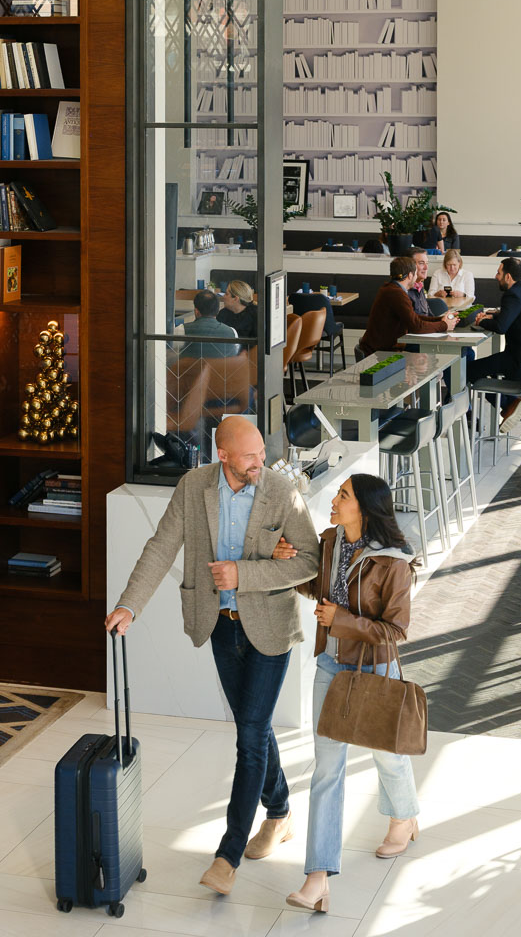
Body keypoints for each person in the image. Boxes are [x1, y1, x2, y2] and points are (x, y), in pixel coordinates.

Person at [106, 418, 323, 895]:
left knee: (249, 736)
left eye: (262, 452)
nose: (259, 462)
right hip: (220, 627)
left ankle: (226, 857)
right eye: (249, 455)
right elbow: (161, 547)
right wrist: (129, 604)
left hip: (270, 628)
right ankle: (281, 812)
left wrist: (244, 575)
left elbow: (310, 560)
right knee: (256, 725)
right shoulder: (193, 486)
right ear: (221, 454)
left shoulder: (280, 490)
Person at [268, 474, 421, 913]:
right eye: (337, 494)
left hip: (375, 668)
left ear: (365, 510)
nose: (334, 501)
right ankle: (317, 877)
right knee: (327, 770)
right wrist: (290, 560)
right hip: (330, 666)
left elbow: (396, 630)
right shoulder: (332, 540)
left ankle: (403, 817)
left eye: (343, 496)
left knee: (387, 754)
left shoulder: (393, 562)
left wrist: (343, 620)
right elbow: (318, 590)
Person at [468, 256, 521, 423]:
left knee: (468, 370)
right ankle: (509, 403)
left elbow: (501, 327)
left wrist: (482, 321)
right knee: (489, 368)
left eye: (498, 273)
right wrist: (493, 314)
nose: (496, 276)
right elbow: (516, 313)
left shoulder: (512, 294)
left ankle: (509, 404)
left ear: (508, 277)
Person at [356, 255, 457, 359]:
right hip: (379, 355)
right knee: (429, 355)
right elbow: (416, 326)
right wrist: (444, 325)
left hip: (383, 348)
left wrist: (440, 319)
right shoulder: (396, 293)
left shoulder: (391, 289)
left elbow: (414, 317)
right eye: (415, 273)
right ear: (410, 275)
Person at [181, 288, 242, 359]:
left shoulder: (181, 330)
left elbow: (168, 351)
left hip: (191, 369)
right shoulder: (232, 332)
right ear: (217, 311)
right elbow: (235, 353)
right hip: (222, 369)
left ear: (196, 311)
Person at [405, 248, 439, 317]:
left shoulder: (419, 286)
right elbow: (415, 324)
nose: (426, 268)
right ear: (410, 266)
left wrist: (444, 320)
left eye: (427, 263)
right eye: (421, 263)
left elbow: (429, 315)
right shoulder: (404, 292)